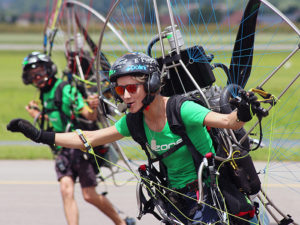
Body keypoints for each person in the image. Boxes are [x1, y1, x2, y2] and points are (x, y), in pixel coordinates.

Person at [8, 52, 261, 224]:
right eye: (120, 89)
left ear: (151, 84)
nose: (125, 96)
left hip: (211, 194)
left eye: (131, 88)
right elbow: (91, 137)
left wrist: (244, 111)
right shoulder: (134, 121)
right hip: (177, 201)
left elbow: (229, 122)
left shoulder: (181, 109)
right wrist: (42, 136)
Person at [18, 51, 130, 225]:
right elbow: (58, 118)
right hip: (63, 149)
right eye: (32, 76)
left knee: (89, 195)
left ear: (49, 69)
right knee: (66, 190)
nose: (37, 78)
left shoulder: (65, 89)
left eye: (40, 72)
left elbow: (88, 115)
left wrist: (93, 107)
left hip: (80, 148)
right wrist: (39, 115)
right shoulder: (44, 94)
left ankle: (121, 222)